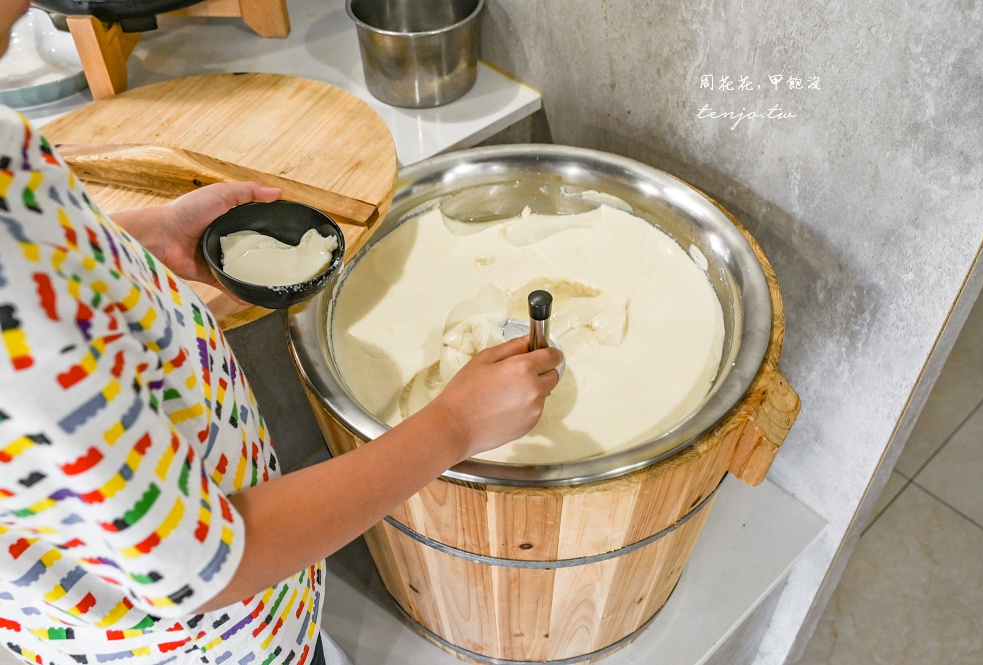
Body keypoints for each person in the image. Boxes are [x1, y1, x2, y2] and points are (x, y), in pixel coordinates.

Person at [0, 2, 564, 664]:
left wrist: (126, 242)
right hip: (207, 646)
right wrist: (455, 426)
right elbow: (206, 562)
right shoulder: (20, 342)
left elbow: (38, 259)